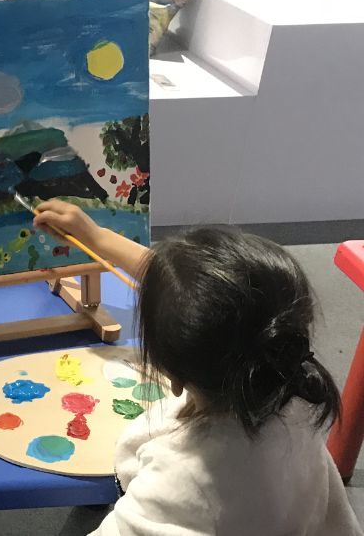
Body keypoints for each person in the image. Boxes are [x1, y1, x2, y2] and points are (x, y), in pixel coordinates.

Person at [31, 200, 363, 536]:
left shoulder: (180, 483)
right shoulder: (294, 387)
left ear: (169, 375)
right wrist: (96, 236)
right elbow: (192, 296)